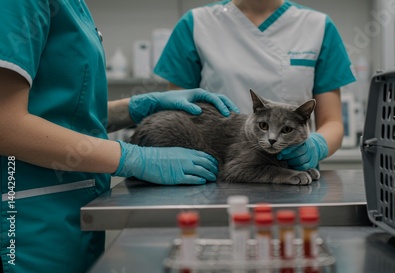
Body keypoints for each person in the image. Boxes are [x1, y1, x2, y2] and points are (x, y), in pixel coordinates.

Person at [0, 1, 238, 272]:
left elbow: (66, 114)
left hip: (71, 209)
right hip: (27, 216)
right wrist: (132, 157)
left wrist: (137, 107)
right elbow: (5, 126)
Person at [155, 0, 356, 172]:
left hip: (292, 177)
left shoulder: (318, 26)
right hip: (217, 173)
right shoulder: (197, 24)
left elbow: (333, 122)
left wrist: (316, 146)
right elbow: (179, 113)